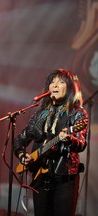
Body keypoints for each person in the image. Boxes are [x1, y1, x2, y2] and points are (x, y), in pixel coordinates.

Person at [14, 69, 88, 216]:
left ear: (69, 88)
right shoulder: (39, 115)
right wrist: (23, 156)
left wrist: (69, 138)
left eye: (60, 82)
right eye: (52, 82)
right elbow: (19, 141)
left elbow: (81, 143)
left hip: (64, 179)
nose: (55, 84)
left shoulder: (77, 113)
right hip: (40, 178)